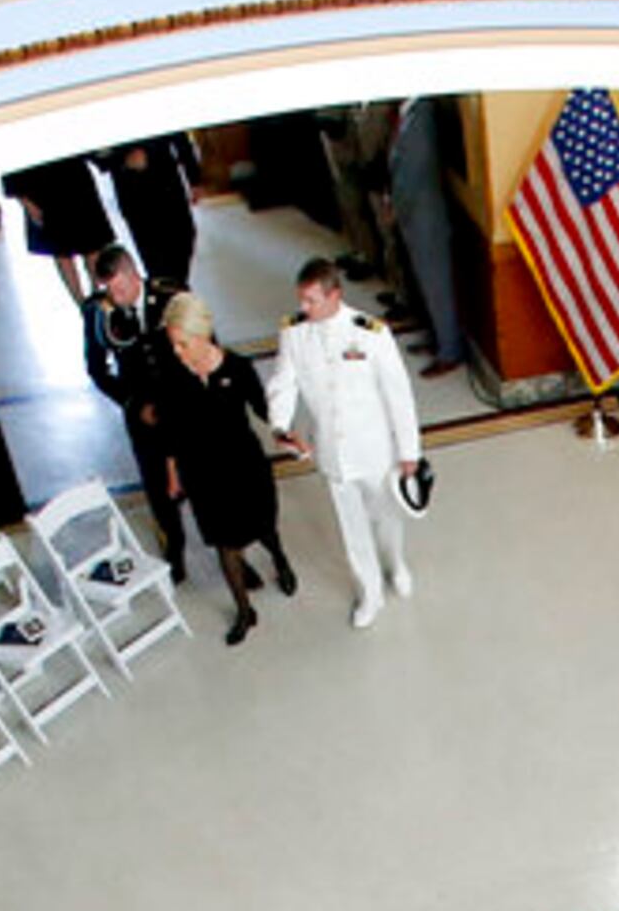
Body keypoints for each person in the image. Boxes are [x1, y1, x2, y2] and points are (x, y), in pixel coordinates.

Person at [268, 257, 424, 630]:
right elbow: (283, 383)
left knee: (386, 517)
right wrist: (280, 425)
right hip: (333, 453)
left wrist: (409, 452)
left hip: (374, 450)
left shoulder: (370, 333)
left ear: (334, 295)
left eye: (312, 301)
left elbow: (398, 395)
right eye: (301, 301)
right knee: (352, 528)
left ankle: (396, 563)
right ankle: (369, 592)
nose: (304, 309)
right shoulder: (294, 334)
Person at [152, 293, 298, 644]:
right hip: (203, 475)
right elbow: (170, 429)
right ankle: (245, 611)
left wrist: (285, 434)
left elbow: (264, 410)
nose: (178, 352)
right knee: (225, 544)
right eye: (174, 345)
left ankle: (281, 562)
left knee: (264, 526)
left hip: (243, 465)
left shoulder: (238, 368)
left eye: (183, 344)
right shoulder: (172, 375)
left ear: (202, 335)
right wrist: (172, 475)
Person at [80, 244, 188, 562]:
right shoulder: (98, 312)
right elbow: (97, 370)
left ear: (133, 275)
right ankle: (175, 548)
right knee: (157, 485)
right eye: (108, 290)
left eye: (121, 288)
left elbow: (203, 342)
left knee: (205, 475)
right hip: (144, 410)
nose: (116, 297)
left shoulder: (172, 296)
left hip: (183, 401)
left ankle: (231, 549)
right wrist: (131, 403)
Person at [386, 95, 471, 380]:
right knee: (423, 283)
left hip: (425, 216)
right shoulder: (406, 113)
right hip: (410, 213)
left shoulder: (424, 114)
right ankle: (435, 338)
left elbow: (418, 171)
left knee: (437, 286)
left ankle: (450, 351)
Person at [91, 133, 201, 291]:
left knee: (184, 236)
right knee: (156, 256)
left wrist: (194, 176)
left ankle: (174, 292)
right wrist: (122, 159)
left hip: (167, 176)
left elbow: (177, 133)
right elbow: (95, 152)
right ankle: (172, 298)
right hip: (134, 189)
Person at [0, 155, 113, 304]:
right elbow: (9, 164)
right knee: (61, 251)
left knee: (92, 244)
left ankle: (99, 295)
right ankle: (81, 303)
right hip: (40, 188)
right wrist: (25, 202)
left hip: (75, 177)